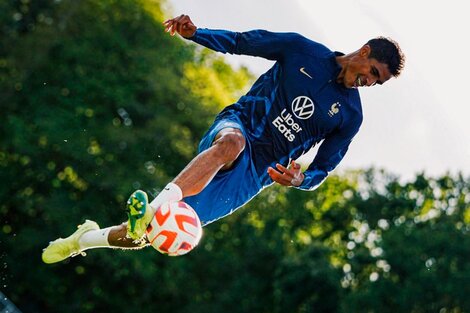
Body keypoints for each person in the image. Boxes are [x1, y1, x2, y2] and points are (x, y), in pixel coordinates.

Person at [42, 14, 405, 263]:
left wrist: (300, 179)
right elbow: (240, 42)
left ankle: (84, 239)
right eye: (372, 73)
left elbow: (322, 170)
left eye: (377, 82)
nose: (369, 82)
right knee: (231, 144)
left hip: (255, 175)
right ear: (365, 52)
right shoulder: (301, 50)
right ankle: (156, 205)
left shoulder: (350, 116)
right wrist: (194, 34)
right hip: (239, 125)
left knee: (153, 235)